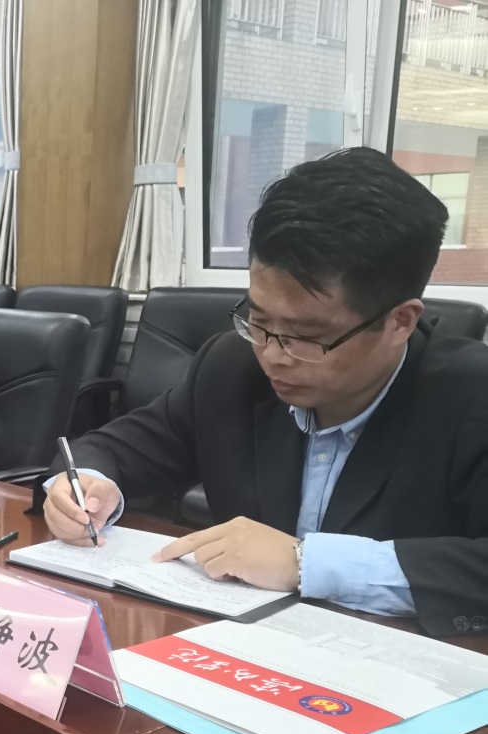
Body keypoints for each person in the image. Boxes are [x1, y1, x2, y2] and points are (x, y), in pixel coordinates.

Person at [40, 147, 488, 636]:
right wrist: (83, 486)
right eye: (258, 319)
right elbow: (115, 448)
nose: (272, 354)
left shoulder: (471, 397)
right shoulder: (231, 366)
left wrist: (306, 562)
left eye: (307, 336)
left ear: (400, 322)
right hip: (240, 646)